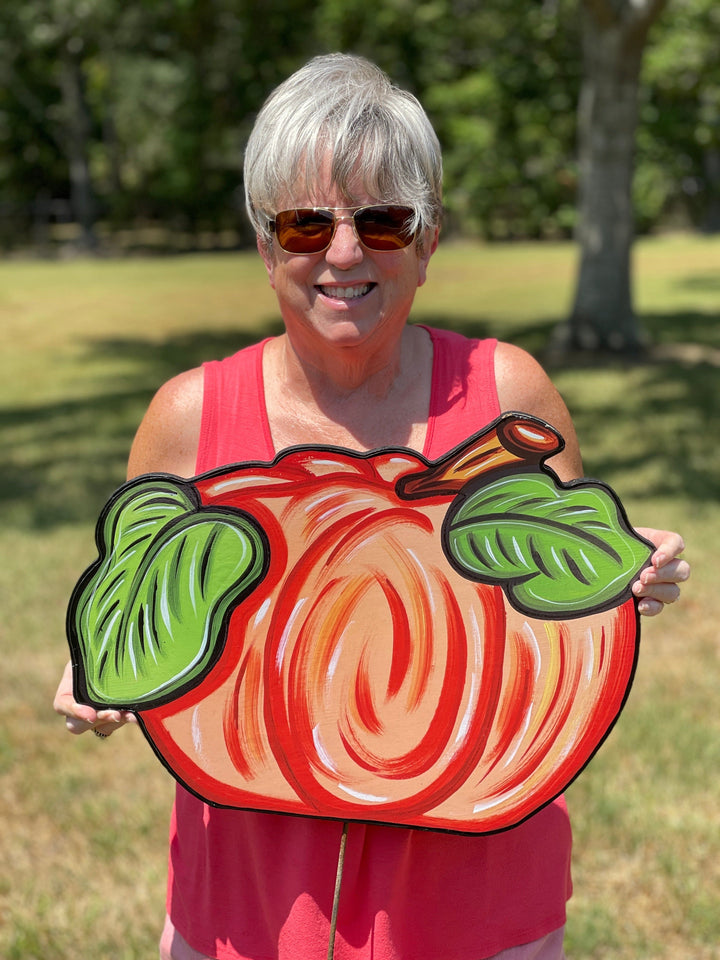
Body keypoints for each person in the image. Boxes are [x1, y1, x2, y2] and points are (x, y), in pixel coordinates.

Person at [54, 53, 689, 960]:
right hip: (249, 906)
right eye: (307, 222)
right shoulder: (190, 418)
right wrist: (96, 668)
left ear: (428, 243)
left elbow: (564, 620)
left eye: (384, 222)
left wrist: (625, 575)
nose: (344, 253)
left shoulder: (507, 399)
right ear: (267, 245)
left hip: (478, 901)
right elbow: (126, 614)